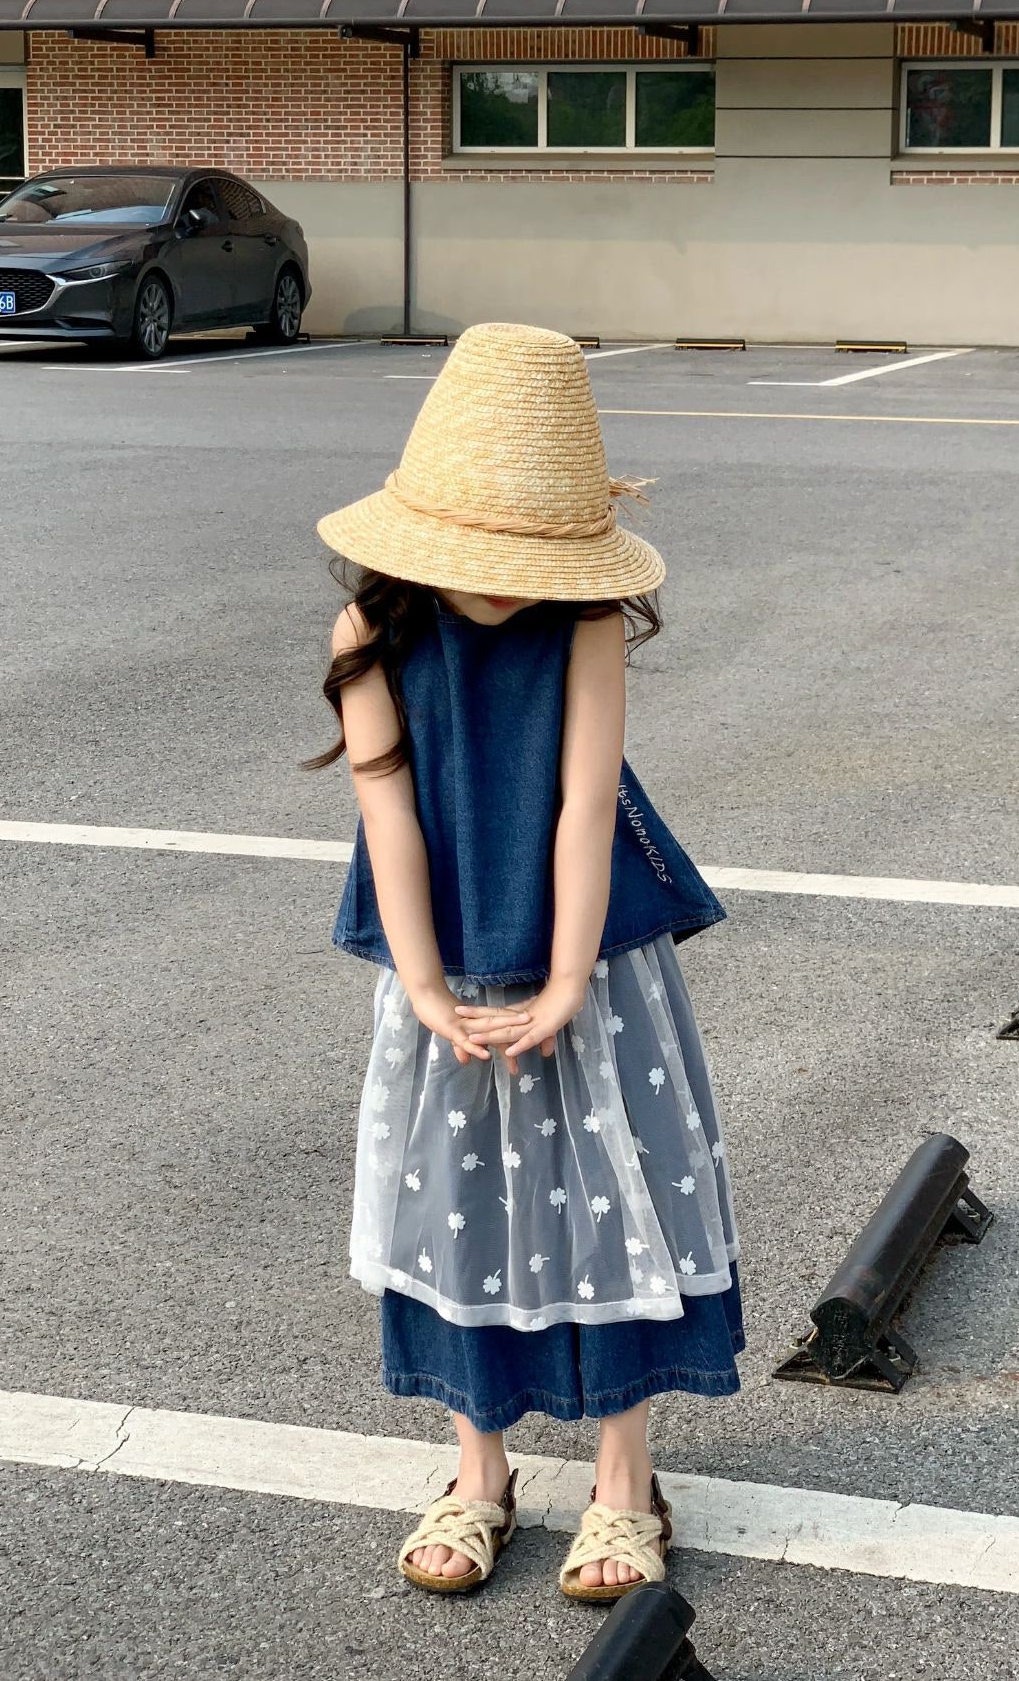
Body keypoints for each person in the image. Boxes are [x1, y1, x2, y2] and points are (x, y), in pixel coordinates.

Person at [305, 323, 744, 1603]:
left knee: (616, 1190)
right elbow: (386, 812)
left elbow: (583, 807)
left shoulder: (583, 619)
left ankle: (625, 1480)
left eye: (525, 557)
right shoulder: (368, 625)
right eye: (481, 555)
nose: (502, 586)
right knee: (460, 1201)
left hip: (586, 951)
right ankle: (478, 1468)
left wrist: (561, 981)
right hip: (440, 952)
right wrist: (424, 987)